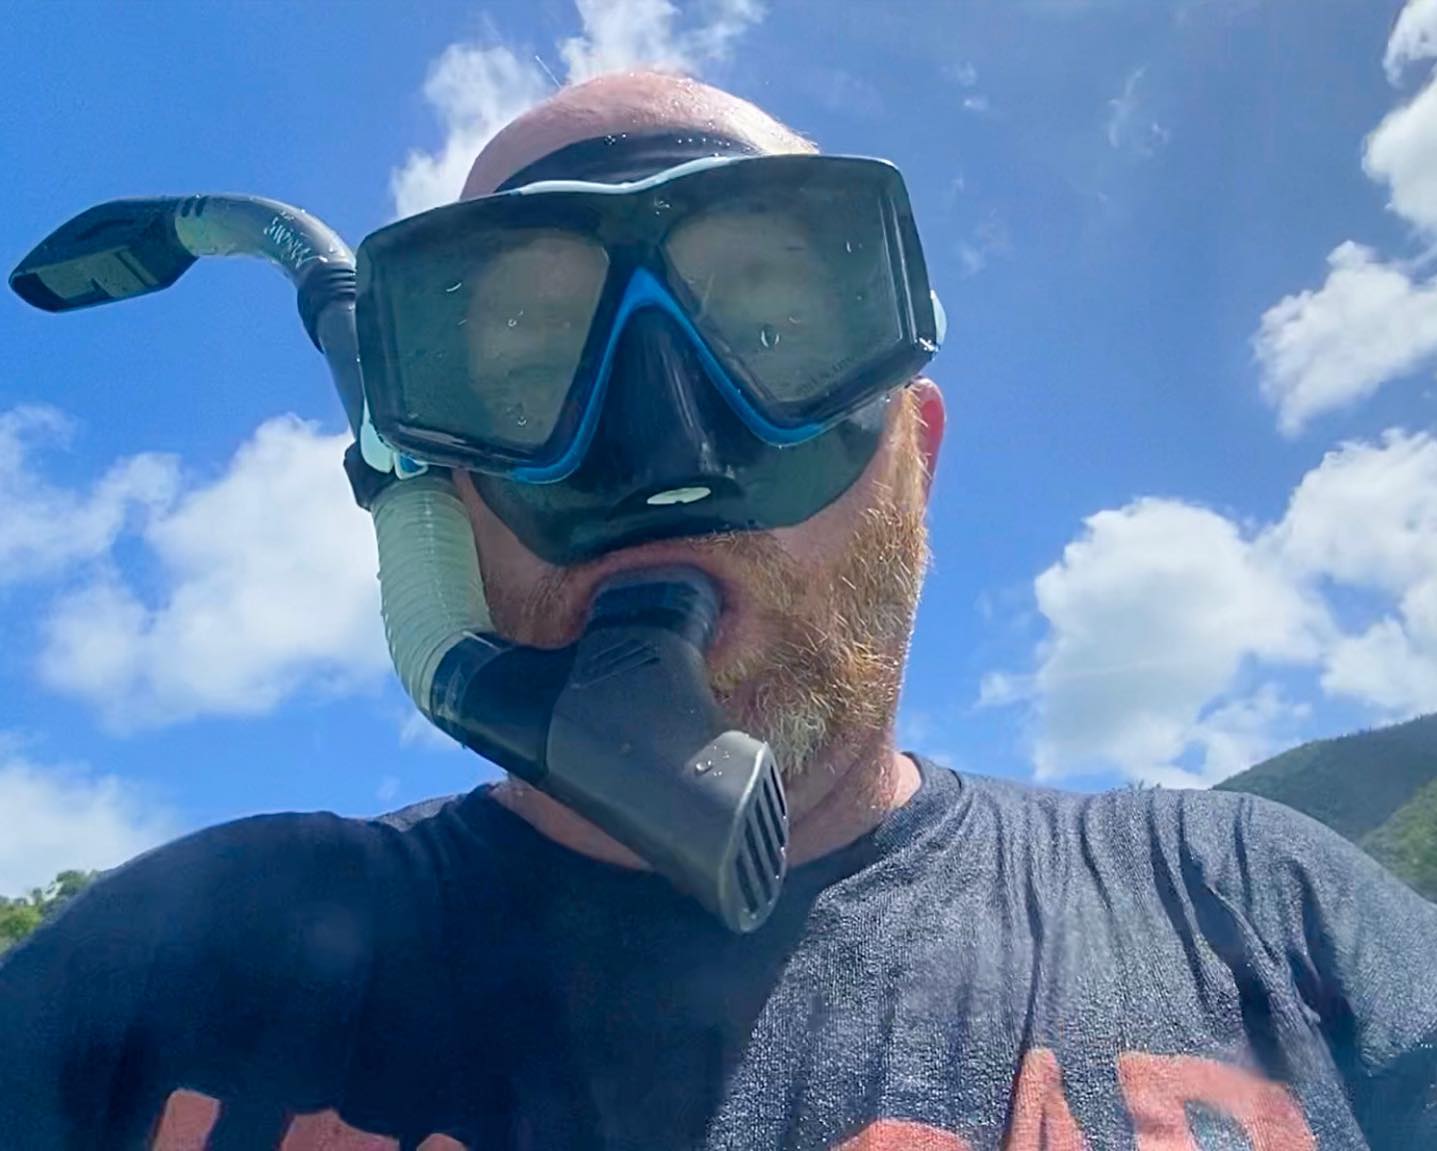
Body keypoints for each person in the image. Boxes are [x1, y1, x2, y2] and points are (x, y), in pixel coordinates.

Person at [2, 71, 1435, 1151]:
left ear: (917, 457)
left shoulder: (1260, 911)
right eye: (528, 365)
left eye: (773, 333)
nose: (664, 448)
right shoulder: (170, 969)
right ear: (427, 499)